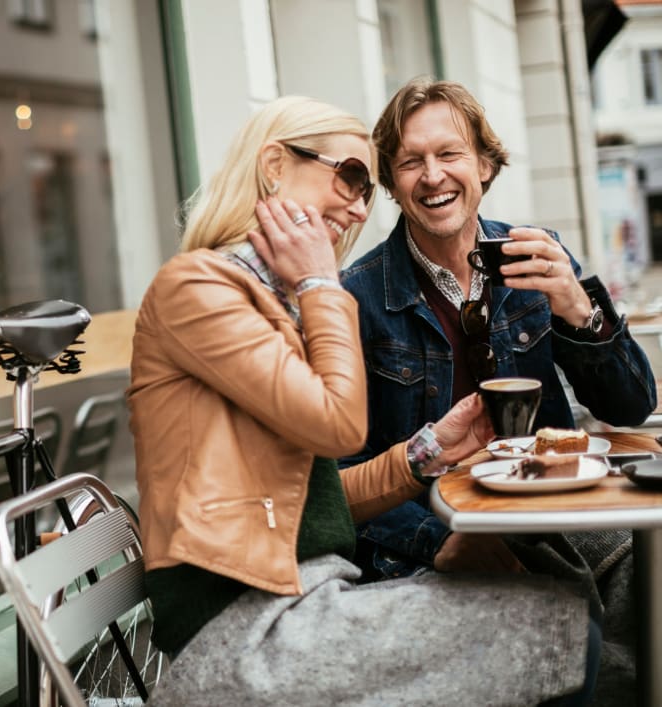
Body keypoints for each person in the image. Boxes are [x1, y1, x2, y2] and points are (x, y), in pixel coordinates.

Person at [127, 95, 598, 706]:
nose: (355, 208)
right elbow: (340, 427)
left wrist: (430, 449)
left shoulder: (270, 303)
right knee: (560, 634)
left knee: (562, 605)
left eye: (366, 190)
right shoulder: (199, 286)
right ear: (274, 165)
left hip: (310, 593)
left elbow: (316, 504)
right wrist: (321, 282)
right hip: (242, 626)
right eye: (348, 177)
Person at [339, 77, 655, 703]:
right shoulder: (358, 296)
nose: (433, 176)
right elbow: (344, 473)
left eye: (449, 154)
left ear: (484, 163)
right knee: (561, 617)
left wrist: (578, 310)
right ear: (391, 182)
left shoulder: (537, 256)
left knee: (653, 587)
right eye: (410, 161)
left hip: (555, 513)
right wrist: (441, 542)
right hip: (436, 536)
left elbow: (633, 404)